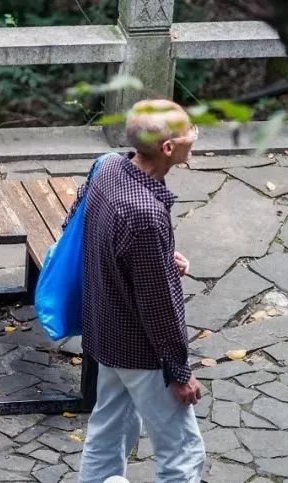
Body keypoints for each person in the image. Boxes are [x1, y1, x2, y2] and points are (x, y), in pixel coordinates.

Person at [77, 99, 205, 483]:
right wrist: (180, 373)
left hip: (107, 330)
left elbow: (105, 239)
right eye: (190, 133)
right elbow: (160, 307)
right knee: (182, 451)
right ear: (168, 148)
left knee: (108, 431)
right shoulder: (145, 216)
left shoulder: (111, 167)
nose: (194, 138)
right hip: (141, 348)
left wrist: (162, 257)